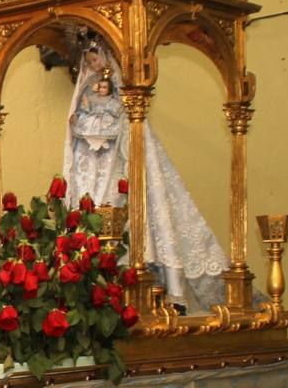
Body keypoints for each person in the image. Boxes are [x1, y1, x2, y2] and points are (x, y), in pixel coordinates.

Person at [63, 40, 229, 313]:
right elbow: (77, 116)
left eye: (97, 60)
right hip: (92, 164)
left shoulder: (119, 87)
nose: (94, 66)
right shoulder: (86, 86)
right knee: (93, 215)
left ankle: (145, 285)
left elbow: (125, 119)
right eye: (89, 62)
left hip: (118, 160)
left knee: (126, 212)